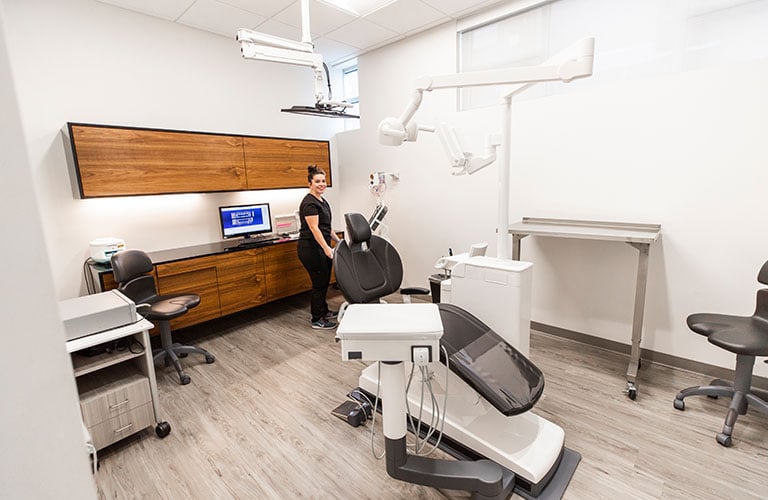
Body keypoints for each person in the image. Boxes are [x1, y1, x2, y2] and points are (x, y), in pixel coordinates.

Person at [297, 165, 341, 329]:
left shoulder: (322, 200)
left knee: (324, 281)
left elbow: (326, 227)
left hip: (321, 247)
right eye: (317, 181)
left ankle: (324, 311)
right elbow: (315, 228)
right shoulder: (309, 203)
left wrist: (338, 241)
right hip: (310, 249)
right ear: (310, 183)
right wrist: (326, 249)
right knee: (319, 283)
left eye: (323, 181)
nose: (321, 184)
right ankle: (317, 319)